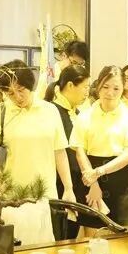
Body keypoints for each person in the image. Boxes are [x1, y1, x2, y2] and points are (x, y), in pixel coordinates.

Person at [0, 61, 75, 201]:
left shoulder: (50, 110)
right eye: (10, 93)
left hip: (45, 193)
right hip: (12, 194)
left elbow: (59, 152)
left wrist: (68, 188)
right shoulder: (0, 112)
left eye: (21, 90)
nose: (17, 97)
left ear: (30, 84)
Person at [70, 66, 128, 231]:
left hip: (121, 182)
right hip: (90, 179)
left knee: (124, 240)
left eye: (116, 88)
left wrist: (99, 172)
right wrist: (93, 182)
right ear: (98, 87)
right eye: (105, 87)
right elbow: (80, 151)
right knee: (92, 239)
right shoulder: (85, 116)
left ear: (123, 88)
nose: (110, 92)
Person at [46, 64, 91, 208]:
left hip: (77, 183)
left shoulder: (77, 113)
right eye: (85, 87)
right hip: (59, 184)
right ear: (71, 85)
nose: (87, 92)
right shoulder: (51, 111)